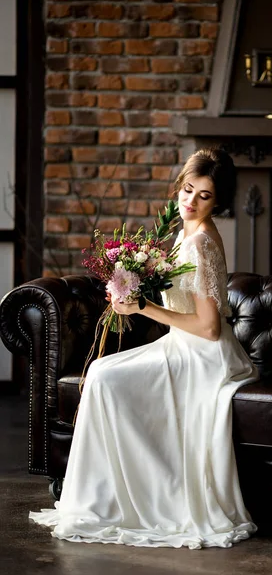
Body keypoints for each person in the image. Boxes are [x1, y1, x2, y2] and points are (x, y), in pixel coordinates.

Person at [29, 147, 259, 550]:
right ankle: (109, 495)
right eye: (187, 190)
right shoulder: (183, 232)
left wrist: (144, 307)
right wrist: (127, 288)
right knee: (101, 372)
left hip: (202, 357)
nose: (190, 201)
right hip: (180, 347)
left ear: (218, 200)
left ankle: (128, 499)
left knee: (103, 377)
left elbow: (208, 327)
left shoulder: (201, 243)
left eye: (203, 196)